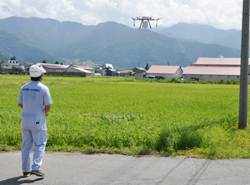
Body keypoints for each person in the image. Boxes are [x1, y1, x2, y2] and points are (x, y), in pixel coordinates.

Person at [18, 64, 53, 177]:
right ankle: (36, 168)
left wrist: (28, 109)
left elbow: (20, 103)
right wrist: (45, 112)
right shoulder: (43, 88)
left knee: (26, 145)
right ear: (41, 76)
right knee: (40, 143)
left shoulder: (24, 87)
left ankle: (26, 170)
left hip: (25, 119)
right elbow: (47, 105)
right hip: (37, 120)